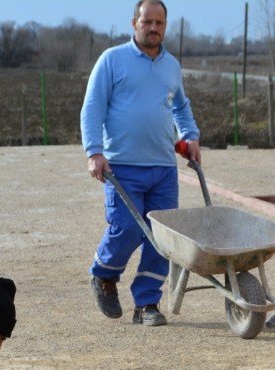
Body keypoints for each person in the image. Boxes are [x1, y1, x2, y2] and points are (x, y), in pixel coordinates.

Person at [81, 0, 201, 327]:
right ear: (134, 22)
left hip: (163, 168)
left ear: (165, 26)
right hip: (122, 167)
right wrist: (94, 151)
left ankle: (147, 303)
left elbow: (181, 108)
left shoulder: (171, 66)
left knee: (162, 239)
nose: (153, 28)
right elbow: (92, 108)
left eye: (159, 23)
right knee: (129, 228)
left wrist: (190, 136)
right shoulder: (112, 60)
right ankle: (103, 274)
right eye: (147, 21)